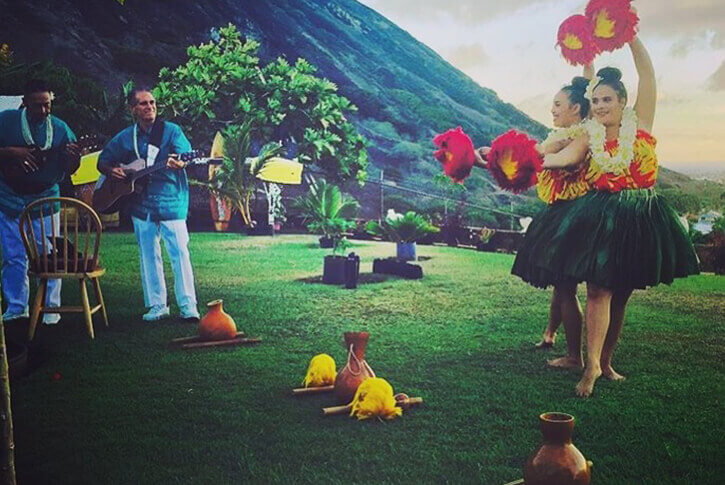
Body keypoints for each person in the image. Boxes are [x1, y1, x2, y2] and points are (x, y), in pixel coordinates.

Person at [514, 35, 699, 397]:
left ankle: (607, 361)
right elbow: (565, 158)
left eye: (606, 100)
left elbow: (647, 76)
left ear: (623, 102)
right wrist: (531, 161)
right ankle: (591, 366)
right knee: (598, 288)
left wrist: (630, 37)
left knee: (622, 292)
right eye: (595, 100)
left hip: (641, 216)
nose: (599, 106)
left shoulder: (641, 124)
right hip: (602, 215)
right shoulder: (590, 133)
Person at [477, 74, 593, 369]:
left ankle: (574, 357)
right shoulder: (567, 133)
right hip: (563, 212)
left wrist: (492, 158)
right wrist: (488, 159)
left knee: (565, 284)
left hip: (572, 215)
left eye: (558, 104)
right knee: (560, 282)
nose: (552, 110)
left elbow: (537, 158)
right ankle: (551, 334)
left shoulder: (572, 137)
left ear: (576, 109)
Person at [97, 87, 200, 322]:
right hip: (140, 203)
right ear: (133, 109)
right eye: (143, 104)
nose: (150, 107)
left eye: (152, 102)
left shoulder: (171, 131)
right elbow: (103, 161)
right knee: (148, 254)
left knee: (180, 252)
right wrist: (112, 170)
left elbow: (186, 155)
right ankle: (157, 305)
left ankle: (188, 306)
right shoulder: (125, 137)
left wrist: (181, 163)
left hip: (171, 200)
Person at [0, 79, 81, 324]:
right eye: (38, 106)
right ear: (24, 103)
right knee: (13, 256)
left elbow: (72, 168)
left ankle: (50, 309)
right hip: (8, 197)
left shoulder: (59, 127)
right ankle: (17, 307)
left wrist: (73, 157)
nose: (44, 111)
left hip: (45, 198)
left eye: (47, 105)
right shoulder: (6, 120)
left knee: (49, 256)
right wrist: (12, 153)